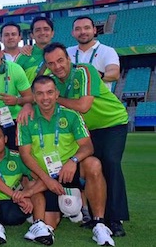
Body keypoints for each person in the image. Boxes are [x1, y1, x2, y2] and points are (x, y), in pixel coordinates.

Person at [42, 42, 129, 237]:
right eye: (51, 63)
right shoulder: (52, 81)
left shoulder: (84, 70)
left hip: (111, 122)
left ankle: (114, 219)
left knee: (110, 163)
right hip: (86, 130)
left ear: (68, 59)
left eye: (60, 60)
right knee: (92, 168)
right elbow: (36, 96)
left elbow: (83, 105)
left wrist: (55, 98)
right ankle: (95, 216)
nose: (57, 66)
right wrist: (29, 105)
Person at [17, 76, 115, 246]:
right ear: (33, 96)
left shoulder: (71, 115)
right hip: (45, 175)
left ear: (57, 94)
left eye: (49, 92)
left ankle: (99, 224)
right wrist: (47, 180)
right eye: (39, 94)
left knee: (93, 164)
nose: (45, 98)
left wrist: (73, 160)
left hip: (70, 170)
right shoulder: (26, 119)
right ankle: (69, 209)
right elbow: (25, 155)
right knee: (48, 223)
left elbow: (87, 146)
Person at [0, 123, 44, 245]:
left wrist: (27, 194)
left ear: (5, 139)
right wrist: (15, 196)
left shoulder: (18, 157)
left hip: (15, 208)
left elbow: (42, 179)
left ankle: (39, 225)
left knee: (34, 185)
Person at [67, 16, 120, 91]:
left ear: (94, 30)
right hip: (73, 100)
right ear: (73, 33)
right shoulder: (67, 52)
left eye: (87, 28)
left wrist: (94, 74)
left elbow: (115, 74)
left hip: (99, 101)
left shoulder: (107, 51)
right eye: (78, 29)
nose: (83, 32)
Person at [16, 16, 55, 81]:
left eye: (46, 29)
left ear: (52, 33)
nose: (42, 33)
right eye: (38, 30)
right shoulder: (23, 56)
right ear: (32, 35)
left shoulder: (61, 54)